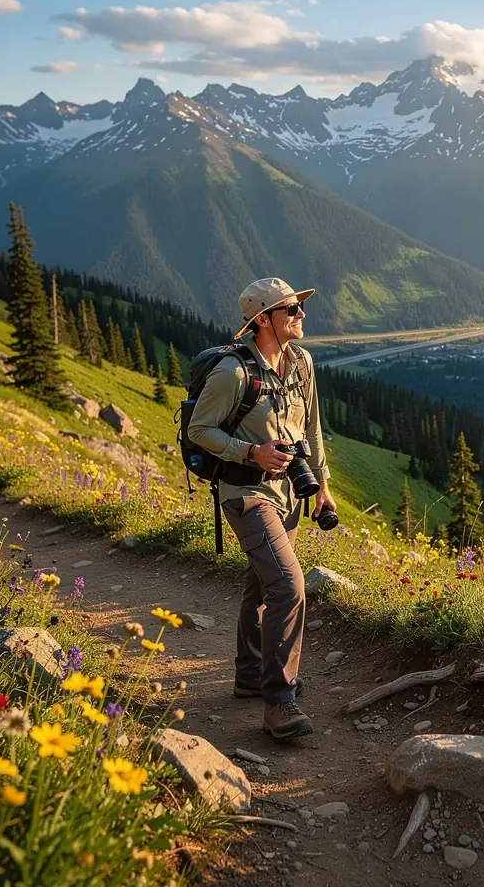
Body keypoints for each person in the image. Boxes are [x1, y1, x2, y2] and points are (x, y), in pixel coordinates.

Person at [187, 277, 335, 738]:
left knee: (262, 583)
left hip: (289, 493)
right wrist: (251, 453)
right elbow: (199, 429)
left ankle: (250, 674)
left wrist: (323, 487)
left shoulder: (302, 363)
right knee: (289, 585)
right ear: (263, 319)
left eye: (299, 307)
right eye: (291, 309)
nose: (301, 315)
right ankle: (279, 703)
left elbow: (311, 428)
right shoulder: (233, 372)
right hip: (246, 494)